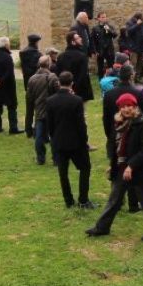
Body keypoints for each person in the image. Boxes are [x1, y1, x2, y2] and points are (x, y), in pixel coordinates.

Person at [86, 93, 143, 240]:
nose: (126, 109)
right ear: (119, 109)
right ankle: (102, 227)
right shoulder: (119, 123)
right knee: (114, 198)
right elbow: (117, 146)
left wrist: (131, 166)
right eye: (123, 106)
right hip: (122, 167)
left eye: (129, 106)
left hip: (140, 169)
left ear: (135, 106)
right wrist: (114, 164)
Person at [46, 72, 96, 208]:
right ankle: (83, 200)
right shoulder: (77, 100)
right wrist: (84, 140)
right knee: (85, 168)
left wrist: (53, 137)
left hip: (59, 141)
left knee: (63, 172)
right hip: (76, 142)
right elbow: (81, 124)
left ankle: (68, 200)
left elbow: (49, 124)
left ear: (59, 83)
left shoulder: (50, 101)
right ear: (72, 83)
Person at [102, 65, 143, 164]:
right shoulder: (138, 93)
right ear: (131, 76)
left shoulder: (109, 94)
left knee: (115, 166)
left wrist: (109, 134)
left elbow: (106, 118)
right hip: (133, 133)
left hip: (115, 132)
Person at [25, 56, 60, 165]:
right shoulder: (53, 77)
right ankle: (56, 159)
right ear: (49, 64)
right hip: (52, 112)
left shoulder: (32, 79)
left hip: (39, 112)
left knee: (39, 137)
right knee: (54, 136)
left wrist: (28, 124)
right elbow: (58, 95)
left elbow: (29, 100)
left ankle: (41, 158)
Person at [56, 31, 94, 104]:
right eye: (78, 38)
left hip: (64, 90)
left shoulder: (61, 56)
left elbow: (58, 74)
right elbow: (82, 75)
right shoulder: (82, 56)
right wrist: (74, 89)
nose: (81, 39)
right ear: (73, 42)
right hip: (80, 91)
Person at [92, 12, 118, 82]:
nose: (104, 18)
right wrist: (95, 51)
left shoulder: (109, 26)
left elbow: (115, 35)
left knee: (111, 66)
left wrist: (108, 30)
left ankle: (112, 80)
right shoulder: (95, 28)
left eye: (105, 17)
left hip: (109, 50)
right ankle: (101, 80)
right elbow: (93, 40)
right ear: (99, 18)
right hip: (100, 50)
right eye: (102, 17)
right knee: (100, 67)